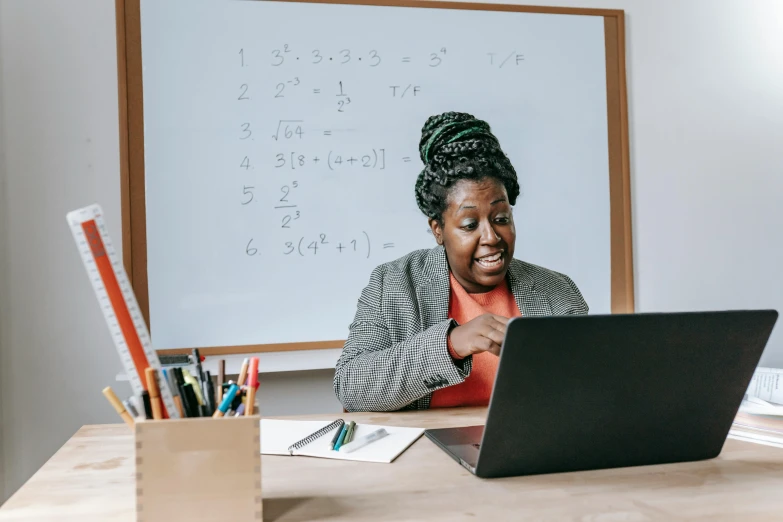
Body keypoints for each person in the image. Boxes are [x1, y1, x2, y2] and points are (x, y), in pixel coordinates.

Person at [333, 112, 588, 412]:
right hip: (423, 453)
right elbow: (350, 384)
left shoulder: (556, 292)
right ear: (438, 230)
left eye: (501, 219)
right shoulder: (394, 284)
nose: (491, 236)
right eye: (469, 224)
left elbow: (589, 387)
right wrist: (451, 344)